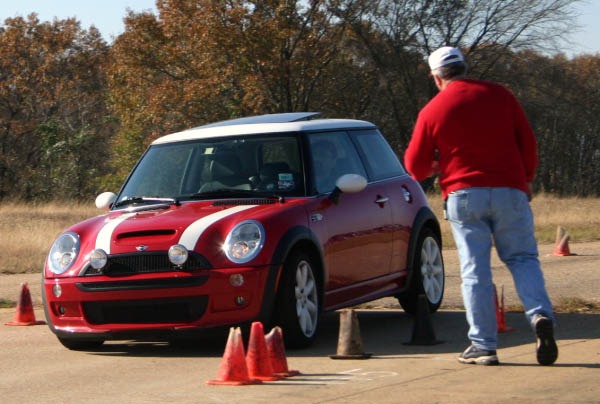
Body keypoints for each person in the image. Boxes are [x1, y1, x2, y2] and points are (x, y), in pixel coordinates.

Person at [404, 46, 558, 366]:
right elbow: (527, 142)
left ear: (436, 77)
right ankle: (540, 316)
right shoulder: (501, 95)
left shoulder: (433, 109)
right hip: (510, 190)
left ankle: (484, 345)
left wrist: (437, 167)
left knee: (475, 270)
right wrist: (525, 177)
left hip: (464, 194)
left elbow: (415, 166)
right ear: (464, 67)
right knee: (522, 259)